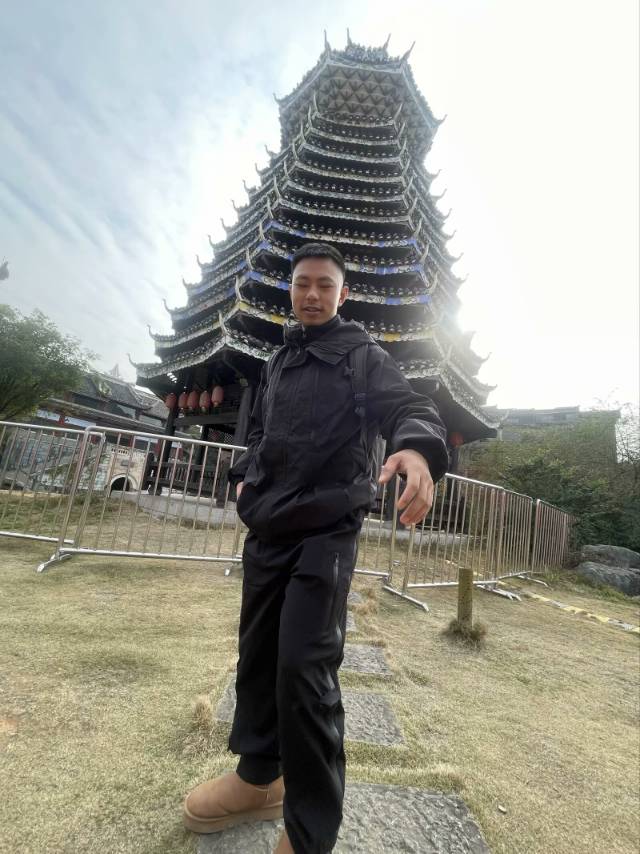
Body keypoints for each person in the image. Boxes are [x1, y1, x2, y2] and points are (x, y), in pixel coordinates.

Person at [183, 243, 448, 853]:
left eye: (324, 285)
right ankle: (258, 778)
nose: (311, 294)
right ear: (291, 287)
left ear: (342, 294)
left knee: (305, 669)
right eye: (302, 283)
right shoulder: (278, 361)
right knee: (257, 657)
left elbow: (410, 407)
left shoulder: (364, 356)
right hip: (268, 527)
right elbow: (260, 432)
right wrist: (246, 475)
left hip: (325, 532)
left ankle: (308, 834)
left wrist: (416, 449)